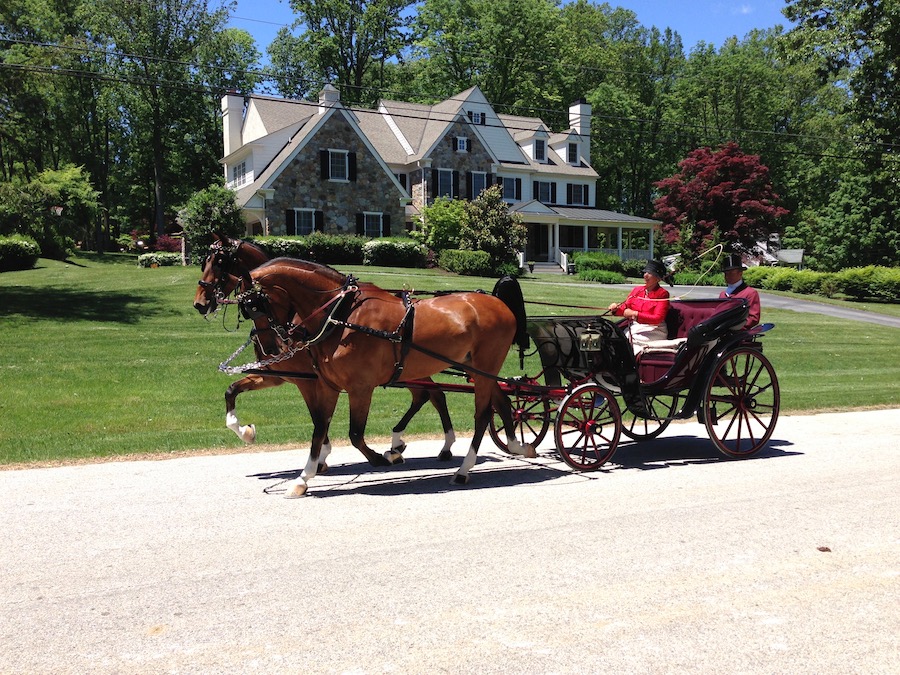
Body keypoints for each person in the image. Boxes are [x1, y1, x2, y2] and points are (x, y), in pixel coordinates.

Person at [608, 259, 671, 354]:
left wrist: (635, 314)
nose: (645, 275)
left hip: (654, 330)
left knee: (630, 342)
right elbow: (624, 307)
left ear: (658, 278)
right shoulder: (637, 290)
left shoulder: (662, 294)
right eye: (645, 272)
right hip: (636, 328)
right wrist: (615, 309)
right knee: (617, 339)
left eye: (650, 273)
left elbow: (658, 318)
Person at [719, 253, 760, 328]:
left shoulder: (750, 293)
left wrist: (733, 326)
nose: (727, 276)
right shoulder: (723, 294)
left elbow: (753, 318)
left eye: (731, 273)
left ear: (740, 273)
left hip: (740, 336)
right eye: (726, 273)